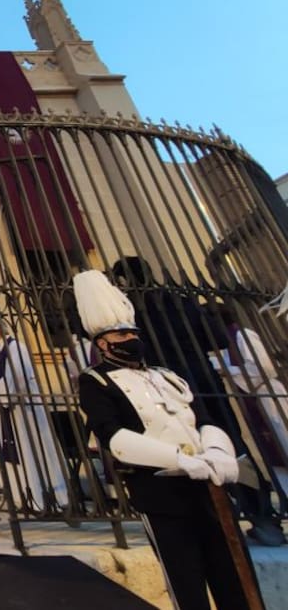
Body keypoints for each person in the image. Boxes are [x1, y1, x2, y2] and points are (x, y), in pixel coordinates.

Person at [74, 270, 262, 610]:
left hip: (208, 488)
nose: (131, 337)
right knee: (186, 581)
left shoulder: (167, 376)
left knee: (233, 577)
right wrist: (179, 459)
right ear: (103, 343)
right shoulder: (95, 382)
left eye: (132, 331)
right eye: (121, 333)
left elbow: (202, 417)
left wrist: (218, 451)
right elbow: (114, 436)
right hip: (162, 491)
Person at [113, 256, 285, 547]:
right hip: (204, 381)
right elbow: (217, 339)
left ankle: (203, 517)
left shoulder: (130, 312)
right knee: (231, 445)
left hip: (164, 387)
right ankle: (262, 516)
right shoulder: (182, 301)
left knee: (177, 450)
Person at [0, 318, 67, 512]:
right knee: (9, 456)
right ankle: (21, 496)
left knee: (32, 451)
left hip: (22, 411)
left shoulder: (16, 349)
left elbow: (16, 378)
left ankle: (47, 497)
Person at [219, 306, 288, 491]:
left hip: (268, 394)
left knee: (284, 438)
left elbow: (263, 368)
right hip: (254, 399)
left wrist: (228, 371)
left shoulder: (243, 335)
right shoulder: (227, 342)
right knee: (272, 449)